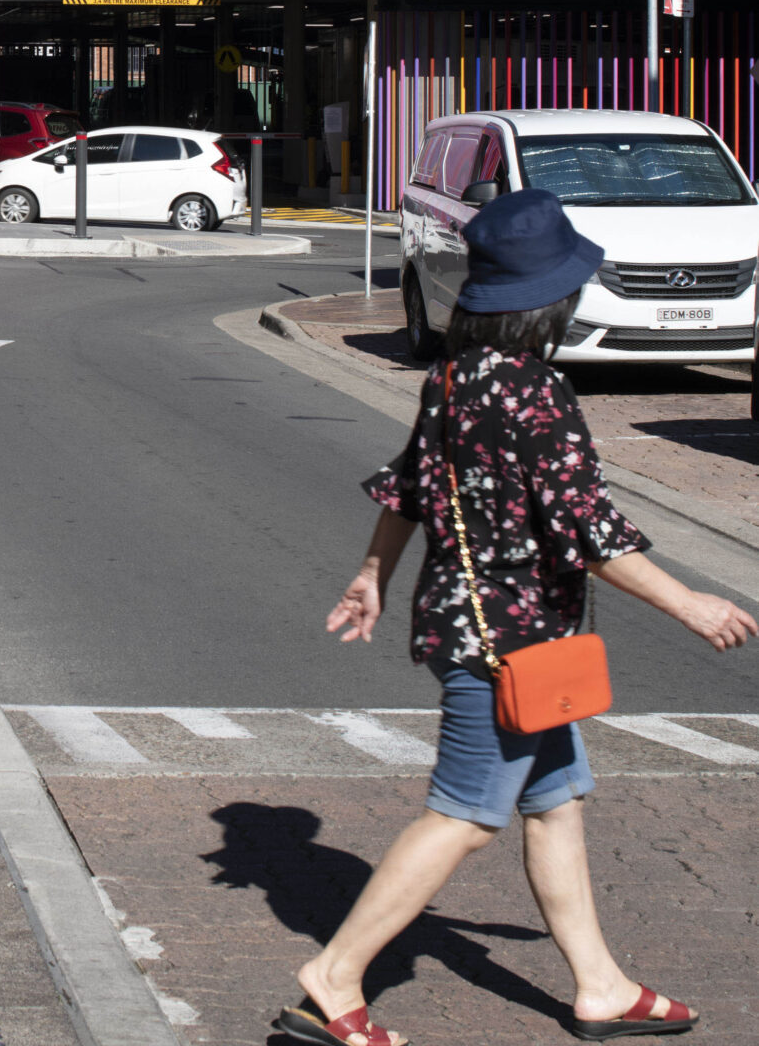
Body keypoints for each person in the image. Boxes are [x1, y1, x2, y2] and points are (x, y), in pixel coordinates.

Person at [281, 189, 757, 1046]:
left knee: (557, 800)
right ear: (554, 301)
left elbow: (409, 488)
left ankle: (601, 987)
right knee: (464, 814)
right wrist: (692, 602)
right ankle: (335, 977)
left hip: (494, 636)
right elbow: (589, 531)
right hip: (509, 645)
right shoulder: (536, 392)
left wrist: (370, 573)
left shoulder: (454, 377)